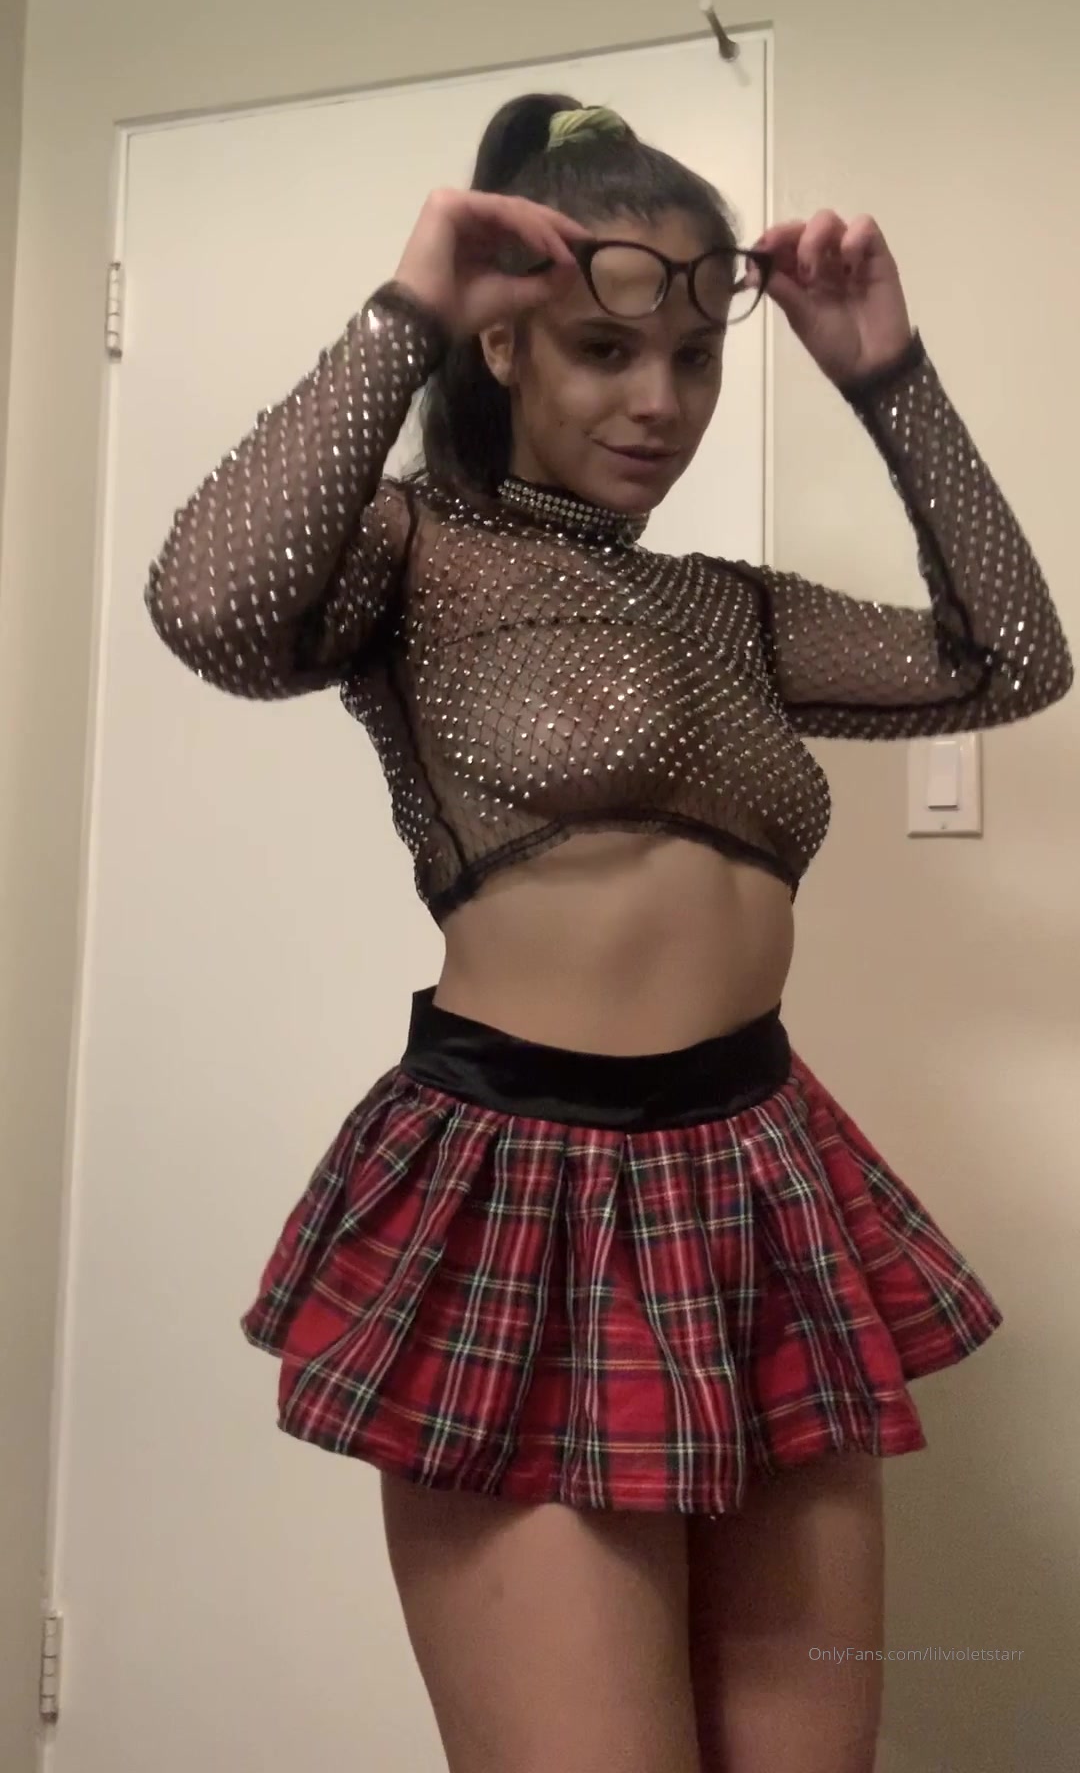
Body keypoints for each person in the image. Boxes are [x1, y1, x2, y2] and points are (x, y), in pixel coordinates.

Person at [146, 92, 1072, 1773]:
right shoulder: (412, 560)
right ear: (504, 345)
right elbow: (210, 607)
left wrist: (887, 374)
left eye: (696, 363)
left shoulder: (732, 609)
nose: (661, 403)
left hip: (762, 1178)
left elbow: (1007, 656)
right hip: (523, 1183)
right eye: (603, 350)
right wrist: (410, 302)